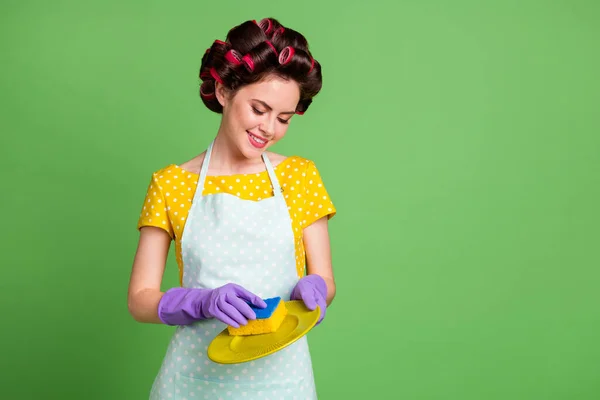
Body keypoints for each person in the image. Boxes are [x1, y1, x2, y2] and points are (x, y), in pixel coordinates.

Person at [127, 17, 337, 399]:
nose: (269, 128)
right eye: (259, 109)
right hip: (194, 379)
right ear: (224, 92)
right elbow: (140, 299)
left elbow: (326, 279)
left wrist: (315, 288)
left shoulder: (300, 176)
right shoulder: (171, 183)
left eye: (284, 118)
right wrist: (199, 301)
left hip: (283, 379)